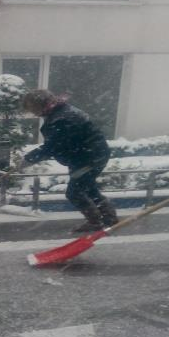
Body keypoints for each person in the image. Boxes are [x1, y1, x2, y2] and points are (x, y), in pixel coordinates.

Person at [20, 90, 119, 232]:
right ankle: (109, 219)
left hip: (88, 159)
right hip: (88, 155)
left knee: (74, 192)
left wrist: (29, 159)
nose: (33, 113)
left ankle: (95, 222)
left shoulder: (63, 118)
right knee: (88, 188)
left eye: (32, 109)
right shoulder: (59, 112)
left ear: (39, 105)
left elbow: (53, 146)